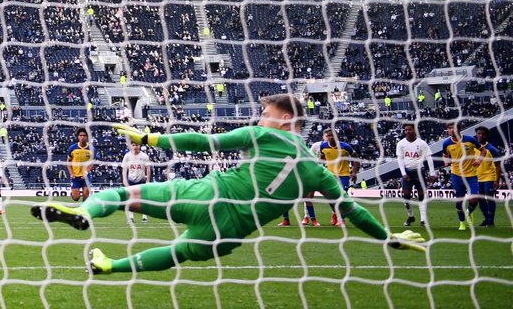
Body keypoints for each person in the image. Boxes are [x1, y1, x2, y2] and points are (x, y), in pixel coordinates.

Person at [31, 94, 426, 274]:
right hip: (229, 232)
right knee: (177, 254)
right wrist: (387, 236)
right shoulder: (320, 171)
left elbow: (203, 143)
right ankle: (108, 266)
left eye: (265, 114)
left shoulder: (270, 137)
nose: (259, 119)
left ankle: (83, 211)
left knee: (119, 195)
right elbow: (351, 210)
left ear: (286, 121)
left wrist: (149, 139)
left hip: (209, 194)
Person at [311, 128, 358, 227]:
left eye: (332, 135)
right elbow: (322, 158)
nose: (330, 137)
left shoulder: (345, 147)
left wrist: (354, 172)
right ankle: (335, 212)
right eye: (328, 136)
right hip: (330, 175)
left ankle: (342, 219)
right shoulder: (323, 146)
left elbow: (356, 158)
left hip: (344, 175)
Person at [442, 121, 481, 230]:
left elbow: (483, 150)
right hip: (457, 175)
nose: (450, 130)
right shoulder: (446, 143)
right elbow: (445, 155)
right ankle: (462, 222)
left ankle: (468, 212)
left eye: (452, 128)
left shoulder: (470, 140)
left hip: (471, 175)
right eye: (449, 128)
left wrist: (479, 160)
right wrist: (446, 161)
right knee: (459, 201)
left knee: (474, 199)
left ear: (459, 129)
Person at [395, 122, 433, 228]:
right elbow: (400, 159)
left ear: (414, 130)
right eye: (406, 130)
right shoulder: (401, 144)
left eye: (409, 129)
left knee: (421, 196)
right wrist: (403, 173)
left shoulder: (422, 143)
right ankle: (411, 216)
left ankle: (423, 220)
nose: (407, 131)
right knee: (406, 196)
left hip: (419, 172)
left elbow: (429, 158)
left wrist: (432, 173)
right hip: (407, 172)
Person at [474, 127, 502, 228]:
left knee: (489, 197)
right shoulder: (474, 148)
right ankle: (487, 219)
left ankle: (490, 221)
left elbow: (498, 165)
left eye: (483, 134)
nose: (480, 135)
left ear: (486, 136)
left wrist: (497, 180)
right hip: (477, 177)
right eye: (478, 133)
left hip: (489, 176)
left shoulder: (492, 149)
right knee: (480, 199)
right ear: (476, 134)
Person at [121, 140, 151, 223]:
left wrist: (148, 180)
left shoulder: (144, 156)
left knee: (143, 198)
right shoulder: (127, 156)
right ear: (131, 146)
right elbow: (124, 168)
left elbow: (148, 168)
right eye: (133, 145)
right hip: (131, 179)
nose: (135, 147)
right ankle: (131, 217)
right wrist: (124, 179)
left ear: (140, 146)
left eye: (137, 145)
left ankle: (144, 216)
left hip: (141, 179)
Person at [66, 129, 95, 203]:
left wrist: (86, 172)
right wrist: (71, 173)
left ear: (87, 137)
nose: (82, 137)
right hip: (75, 176)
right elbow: (68, 162)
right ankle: (73, 193)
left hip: (86, 176)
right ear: (78, 137)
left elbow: (91, 164)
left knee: (86, 196)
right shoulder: (72, 148)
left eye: (84, 136)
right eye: (80, 135)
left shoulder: (92, 149)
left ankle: (84, 210)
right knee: (76, 198)